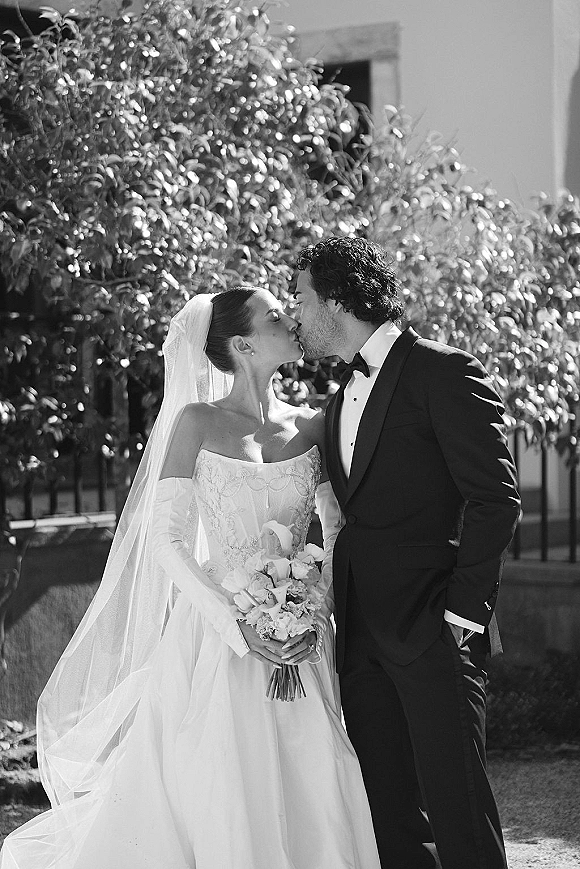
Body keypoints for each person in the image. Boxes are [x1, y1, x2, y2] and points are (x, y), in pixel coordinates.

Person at [0, 288, 381, 869]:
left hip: (303, 637)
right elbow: (165, 537)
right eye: (276, 317)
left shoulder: (312, 426)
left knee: (314, 769)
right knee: (224, 778)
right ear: (242, 344)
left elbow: (335, 529)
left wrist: (312, 603)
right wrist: (238, 624)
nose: (292, 322)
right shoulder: (197, 422)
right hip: (216, 641)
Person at [294, 236, 521, 869]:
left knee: (460, 812)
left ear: (338, 301)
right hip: (360, 637)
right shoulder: (339, 401)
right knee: (389, 819)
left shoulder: (444, 372)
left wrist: (462, 616)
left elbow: (495, 498)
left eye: (303, 297)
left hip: (432, 631)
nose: (296, 313)